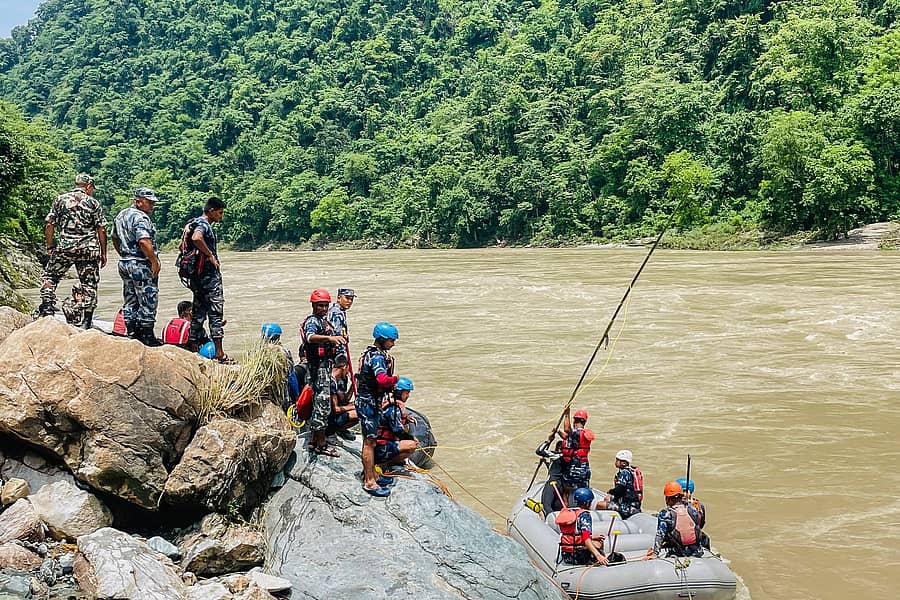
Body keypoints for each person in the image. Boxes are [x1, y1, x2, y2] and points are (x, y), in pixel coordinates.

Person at [37, 173, 108, 329]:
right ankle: (87, 321)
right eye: (92, 188)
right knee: (89, 283)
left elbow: (50, 224)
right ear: (88, 186)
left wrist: (49, 246)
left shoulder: (60, 200)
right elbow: (101, 229)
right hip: (88, 249)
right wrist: (103, 252)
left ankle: (48, 308)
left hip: (65, 247)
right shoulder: (93, 203)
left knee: (51, 276)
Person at [112, 187, 162, 346]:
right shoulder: (140, 218)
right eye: (150, 203)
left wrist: (124, 254)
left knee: (130, 298)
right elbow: (143, 241)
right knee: (148, 297)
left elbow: (114, 237)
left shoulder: (121, 215)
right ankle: (147, 336)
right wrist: (154, 260)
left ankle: (132, 333)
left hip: (125, 262)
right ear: (138, 201)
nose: (152, 206)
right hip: (140, 263)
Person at [180, 197, 228, 361]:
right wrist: (210, 255)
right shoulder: (203, 225)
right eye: (220, 213)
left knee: (198, 312)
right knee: (215, 312)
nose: (221, 216)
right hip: (209, 277)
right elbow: (196, 238)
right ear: (212, 211)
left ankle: (193, 346)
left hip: (196, 277)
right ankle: (219, 353)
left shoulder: (191, 223)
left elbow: (183, 246)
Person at [355, 321, 400, 497]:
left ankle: (372, 473)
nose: (393, 344)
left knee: (371, 441)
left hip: (370, 401)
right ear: (382, 339)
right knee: (369, 442)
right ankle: (369, 481)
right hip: (368, 404)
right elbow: (381, 379)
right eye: (391, 340)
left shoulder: (372, 353)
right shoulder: (377, 357)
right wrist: (395, 380)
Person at [301, 289, 347, 457]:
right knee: (322, 406)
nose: (323, 308)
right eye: (320, 305)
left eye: (325, 305)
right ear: (313, 305)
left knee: (321, 405)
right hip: (318, 369)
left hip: (325, 366)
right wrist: (329, 339)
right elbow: (310, 337)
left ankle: (314, 440)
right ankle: (321, 444)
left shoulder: (324, 321)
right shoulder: (313, 321)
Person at [645, 481, 704, 560]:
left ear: (668, 498)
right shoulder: (692, 508)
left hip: (678, 552)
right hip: (696, 551)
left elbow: (660, 535)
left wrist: (655, 553)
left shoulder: (665, 514)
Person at [374, 376, 418, 472]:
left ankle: (391, 460)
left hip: (382, 444)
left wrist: (406, 420)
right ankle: (383, 464)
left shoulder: (390, 402)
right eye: (406, 393)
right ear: (399, 392)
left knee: (407, 435)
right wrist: (411, 438)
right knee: (412, 445)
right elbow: (398, 431)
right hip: (381, 447)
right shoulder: (393, 408)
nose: (408, 396)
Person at [557, 487, 608, 566]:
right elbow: (586, 539)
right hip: (578, 556)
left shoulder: (571, 512)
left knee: (594, 540)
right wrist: (598, 556)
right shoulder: (584, 515)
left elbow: (573, 535)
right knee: (599, 543)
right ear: (587, 503)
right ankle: (600, 563)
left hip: (566, 554)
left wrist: (592, 537)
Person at [553, 407, 594, 500]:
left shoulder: (577, 432)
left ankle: (566, 508)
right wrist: (558, 431)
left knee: (566, 489)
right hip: (585, 467)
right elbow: (568, 437)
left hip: (575, 466)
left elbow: (567, 429)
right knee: (584, 488)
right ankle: (584, 507)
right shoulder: (584, 434)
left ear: (575, 421)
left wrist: (566, 414)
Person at [261, 322, 300, 410]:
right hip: (282, 393)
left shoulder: (259, 353)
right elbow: (291, 376)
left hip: (267, 393)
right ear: (278, 337)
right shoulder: (284, 352)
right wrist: (297, 395)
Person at [596, 449, 643, 519]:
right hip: (631, 504)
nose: (615, 462)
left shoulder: (624, 473)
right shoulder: (630, 471)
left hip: (628, 507)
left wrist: (611, 491)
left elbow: (620, 490)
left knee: (600, 505)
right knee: (607, 499)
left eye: (617, 460)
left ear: (623, 463)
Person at [325, 354, 358, 440]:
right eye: (348, 369)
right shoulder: (331, 382)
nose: (348, 373)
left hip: (330, 416)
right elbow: (336, 409)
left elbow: (344, 401)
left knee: (358, 406)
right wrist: (353, 407)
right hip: (327, 421)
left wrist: (353, 385)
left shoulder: (333, 378)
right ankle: (336, 430)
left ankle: (338, 430)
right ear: (344, 367)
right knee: (359, 413)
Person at [676, 477, 710, 548]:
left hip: (680, 537)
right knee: (706, 539)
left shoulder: (674, 504)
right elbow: (702, 524)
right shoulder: (699, 505)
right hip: (694, 535)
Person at [326, 288, 355, 359]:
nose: (349, 301)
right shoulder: (337, 313)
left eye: (351, 299)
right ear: (339, 298)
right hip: (335, 352)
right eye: (347, 298)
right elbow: (337, 335)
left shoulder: (335, 310)